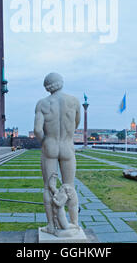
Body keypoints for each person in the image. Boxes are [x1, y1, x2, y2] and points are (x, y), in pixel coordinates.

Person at [34, 73, 81, 235]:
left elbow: (37, 130)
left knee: (48, 187)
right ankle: (74, 223)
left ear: (47, 87)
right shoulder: (74, 101)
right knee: (69, 186)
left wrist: (45, 142)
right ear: (61, 83)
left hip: (50, 146)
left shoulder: (42, 104)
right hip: (67, 145)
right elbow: (76, 123)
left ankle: (51, 226)